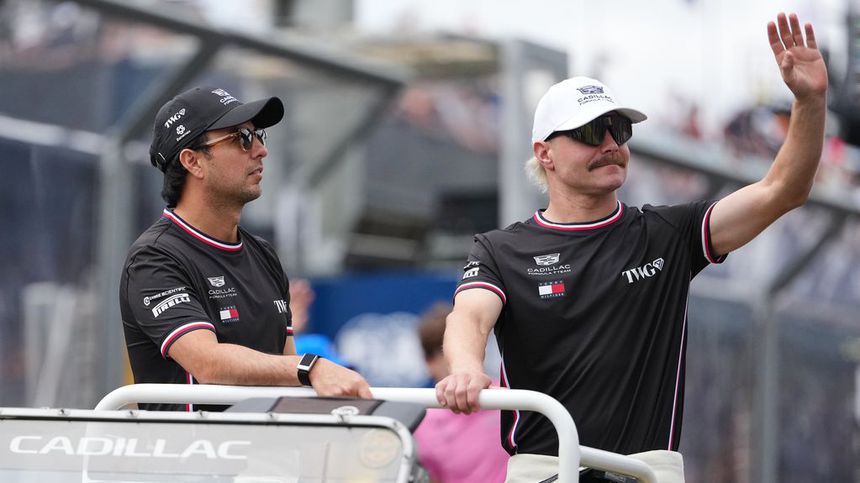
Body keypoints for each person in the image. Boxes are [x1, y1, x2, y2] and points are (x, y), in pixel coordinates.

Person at [435, 12, 826, 483]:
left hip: (646, 473)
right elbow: (469, 315)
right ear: (545, 154)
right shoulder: (501, 249)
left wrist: (809, 100)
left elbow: (782, 190)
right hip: (545, 473)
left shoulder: (667, 232)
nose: (608, 144)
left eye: (618, 130)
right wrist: (463, 369)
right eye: (586, 133)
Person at [119, 86, 371, 411]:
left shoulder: (263, 253)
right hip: (194, 457)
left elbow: (287, 370)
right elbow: (208, 363)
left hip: (266, 454)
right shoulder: (154, 257)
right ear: (193, 161)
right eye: (241, 138)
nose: (260, 151)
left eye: (258, 135)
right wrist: (312, 367)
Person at [413, 303, 509, 483]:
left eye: (463, 348)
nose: (456, 358)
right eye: (445, 352)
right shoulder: (422, 423)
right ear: (429, 362)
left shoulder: (511, 400)